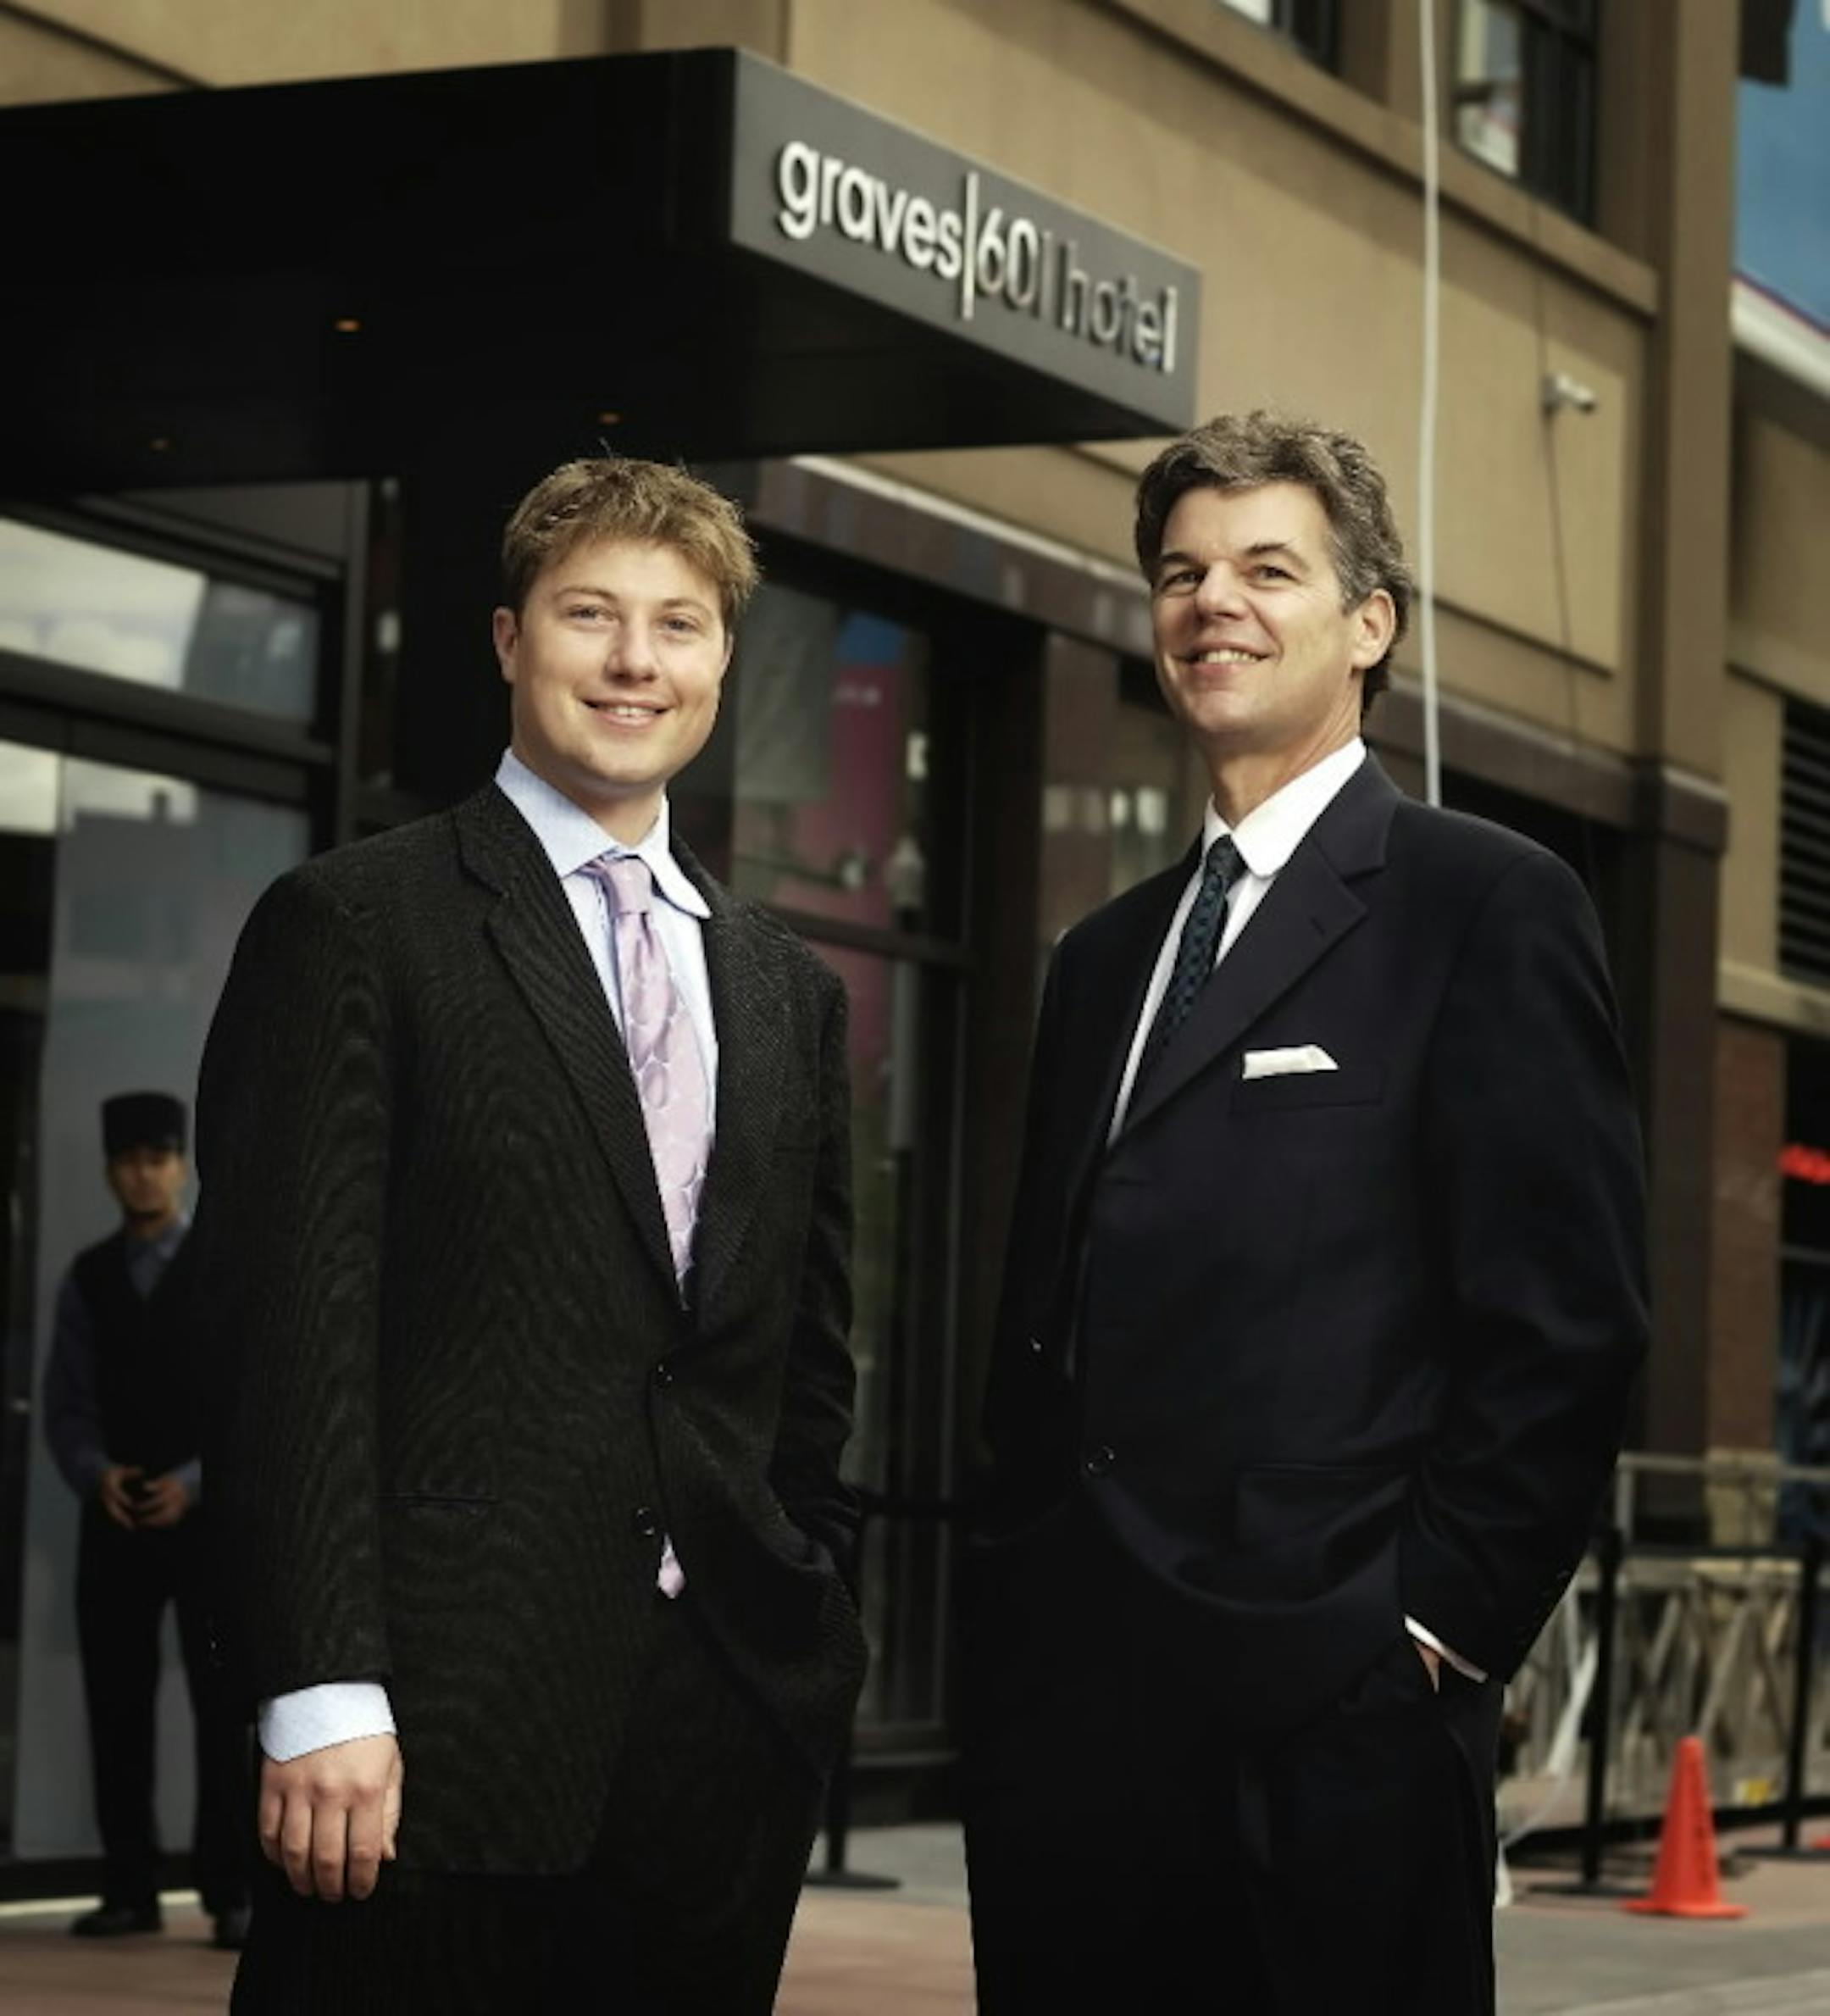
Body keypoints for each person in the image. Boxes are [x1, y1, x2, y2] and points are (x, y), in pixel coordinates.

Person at [960, 411, 1649, 2014]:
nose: (1216, 602)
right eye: (1183, 572)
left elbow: (1570, 1322)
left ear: (1369, 622)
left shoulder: (1485, 900)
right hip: (1080, 1723)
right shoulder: (1103, 955)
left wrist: (1425, 1634)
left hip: (1332, 1716)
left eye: (1270, 567)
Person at [192, 457, 866, 2014]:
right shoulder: (358, 924)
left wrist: (806, 1614)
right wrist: (318, 1680)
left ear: (718, 661)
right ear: (509, 640)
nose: (637, 660)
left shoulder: (787, 988)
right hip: (432, 1728)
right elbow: (294, 1337)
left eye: (680, 624)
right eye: (591, 614)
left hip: (720, 1741)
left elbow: (802, 1367)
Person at [42, 1091, 250, 1949]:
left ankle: (230, 1893)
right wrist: (99, 1477)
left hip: (207, 1525)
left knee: (220, 1710)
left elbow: (249, 1400)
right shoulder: (88, 1278)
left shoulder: (222, 1265)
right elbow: (67, 1405)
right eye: (128, 1160)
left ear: (179, 1162)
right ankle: (129, 1888)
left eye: (158, 1157)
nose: (143, 1173)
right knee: (115, 1707)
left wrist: (195, 1484)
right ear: (110, 1170)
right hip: (117, 1520)